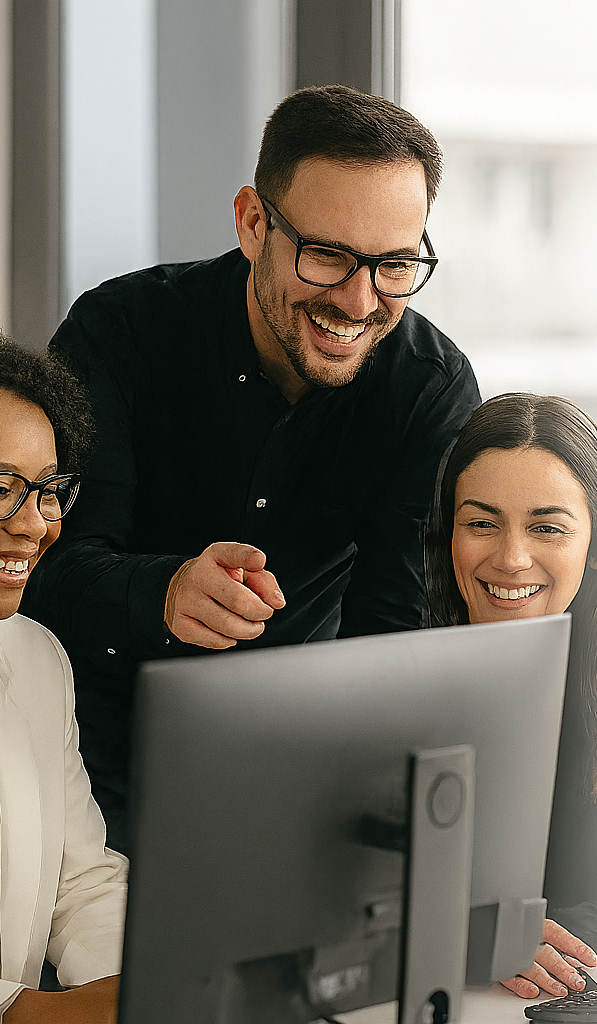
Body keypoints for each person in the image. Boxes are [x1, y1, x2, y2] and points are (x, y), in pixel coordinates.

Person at [21, 85, 480, 853]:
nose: (359, 301)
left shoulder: (427, 390)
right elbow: (44, 571)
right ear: (252, 222)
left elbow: (393, 646)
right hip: (80, 757)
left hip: (298, 773)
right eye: (327, 255)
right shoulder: (121, 333)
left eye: (395, 264)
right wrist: (161, 592)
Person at [425, 391, 597, 1000]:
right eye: (481, 523)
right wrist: (454, 933)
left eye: (546, 527)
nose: (512, 558)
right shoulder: (393, 679)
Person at [0, 338, 126, 1023]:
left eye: (48, 491)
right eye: (0, 489)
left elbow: (79, 882)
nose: (33, 525)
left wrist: (140, 981)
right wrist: (29, 1012)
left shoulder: (38, 660)